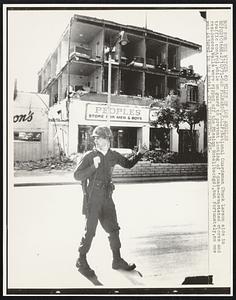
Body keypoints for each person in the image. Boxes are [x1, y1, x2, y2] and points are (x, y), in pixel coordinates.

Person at [74, 125, 148, 277]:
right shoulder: (89, 156)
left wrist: (140, 154)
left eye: (98, 137)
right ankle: (81, 260)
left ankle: (117, 260)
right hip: (93, 198)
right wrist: (93, 167)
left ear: (107, 139)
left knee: (113, 230)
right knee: (90, 231)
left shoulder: (113, 155)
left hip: (107, 198)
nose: (95, 140)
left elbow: (128, 164)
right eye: (94, 137)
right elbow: (77, 175)